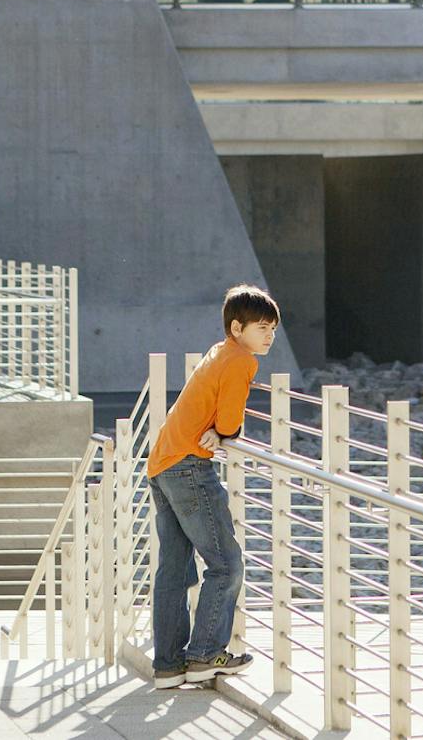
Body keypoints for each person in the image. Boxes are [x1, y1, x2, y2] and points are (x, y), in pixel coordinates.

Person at [149, 285, 280, 689]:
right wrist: (224, 435)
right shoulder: (241, 359)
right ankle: (205, 654)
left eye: (273, 329)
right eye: (261, 328)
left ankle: (169, 665)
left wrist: (219, 433)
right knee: (226, 565)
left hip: (162, 462)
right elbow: (228, 423)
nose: (269, 336)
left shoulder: (218, 351)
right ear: (237, 327)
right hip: (189, 466)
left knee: (174, 570)